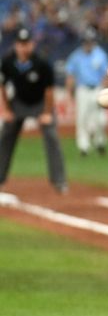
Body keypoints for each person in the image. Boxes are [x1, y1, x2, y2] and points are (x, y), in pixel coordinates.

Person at [0, 28, 67, 193]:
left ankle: (59, 181)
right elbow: (1, 86)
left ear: (32, 44)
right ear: (16, 45)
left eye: (27, 44)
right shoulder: (8, 62)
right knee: (5, 136)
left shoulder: (42, 63)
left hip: (41, 103)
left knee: (51, 136)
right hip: (19, 103)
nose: (24, 48)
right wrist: (6, 110)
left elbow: (49, 91)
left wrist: (46, 113)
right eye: (21, 44)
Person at [65, 28, 108, 156]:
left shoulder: (100, 54)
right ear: (82, 42)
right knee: (82, 118)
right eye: (86, 41)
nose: (89, 44)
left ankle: (100, 143)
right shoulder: (76, 56)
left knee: (101, 119)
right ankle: (83, 147)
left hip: (97, 89)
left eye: (91, 41)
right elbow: (70, 74)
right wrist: (70, 91)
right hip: (82, 89)